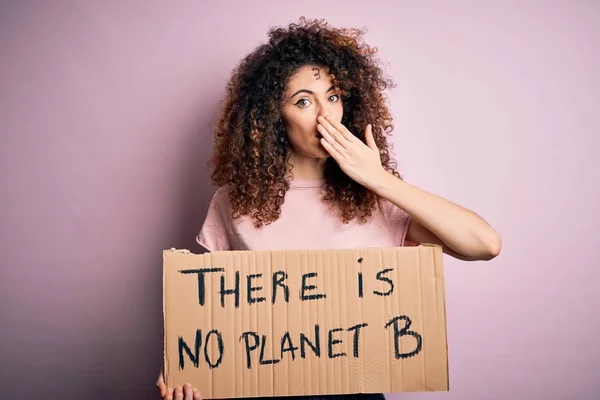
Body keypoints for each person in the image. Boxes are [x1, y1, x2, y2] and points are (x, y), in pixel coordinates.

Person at [156, 17, 501, 400]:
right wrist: (182, 374)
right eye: (303, 101)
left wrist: (381, 180)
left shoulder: (376, 198)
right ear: (273, 117)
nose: (325, 115)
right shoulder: (233, 202)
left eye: (333, 96)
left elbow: (484, 244)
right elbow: (210, 313)